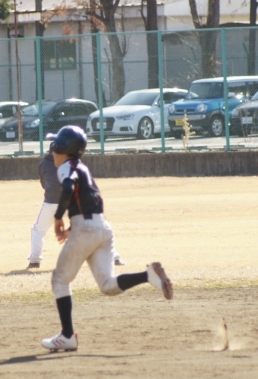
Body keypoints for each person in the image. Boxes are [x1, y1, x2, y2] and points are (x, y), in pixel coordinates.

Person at [40, 125, 173, 352]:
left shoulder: (66, 167)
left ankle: (67, 336)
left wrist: (58, 217)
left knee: (60, 280)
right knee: (108, 286)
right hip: (102, 227)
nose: (51, 151)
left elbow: (68, 187)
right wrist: (74, 227)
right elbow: (90, 201)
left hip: (87, 230)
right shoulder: (83, 168)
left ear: (63, 148)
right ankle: (148, 275)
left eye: (54, 146)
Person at [28, 146, 125, 269]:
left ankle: (34, 261)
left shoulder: (43, 164)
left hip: (51, 202)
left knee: (38, 230)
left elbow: (44, 184)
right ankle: (114, 258)